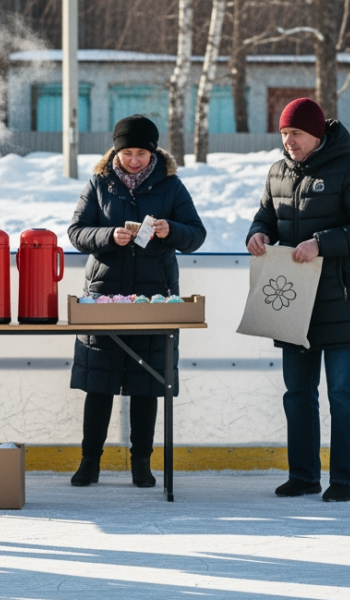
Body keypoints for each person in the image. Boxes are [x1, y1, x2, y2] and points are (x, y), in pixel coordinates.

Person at [246, 98, 350, 503]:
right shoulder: (277, 173)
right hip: (294, 304)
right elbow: (266, 217)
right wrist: (257, 234)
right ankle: (303, 475)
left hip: (343, 301)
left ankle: (345, 479)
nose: (289, 141)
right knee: (298, 394)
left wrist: (321, 243)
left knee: (342, 395)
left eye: (297, 134)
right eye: (285, 134)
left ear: (317, 134)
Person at [67, 115, 206, 488]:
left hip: (154, 297)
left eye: (141, 153)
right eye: (127, 152)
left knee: (148, 383)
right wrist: (109, 235)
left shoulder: (171, 187)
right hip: (105, 296)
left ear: (154, 152)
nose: (133, 160)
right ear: (116, 150)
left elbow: (196, 234)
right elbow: (77, 232)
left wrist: (170, 230)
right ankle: (89, 461)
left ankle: (141, 463)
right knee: (100, 382)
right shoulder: (99, 183)